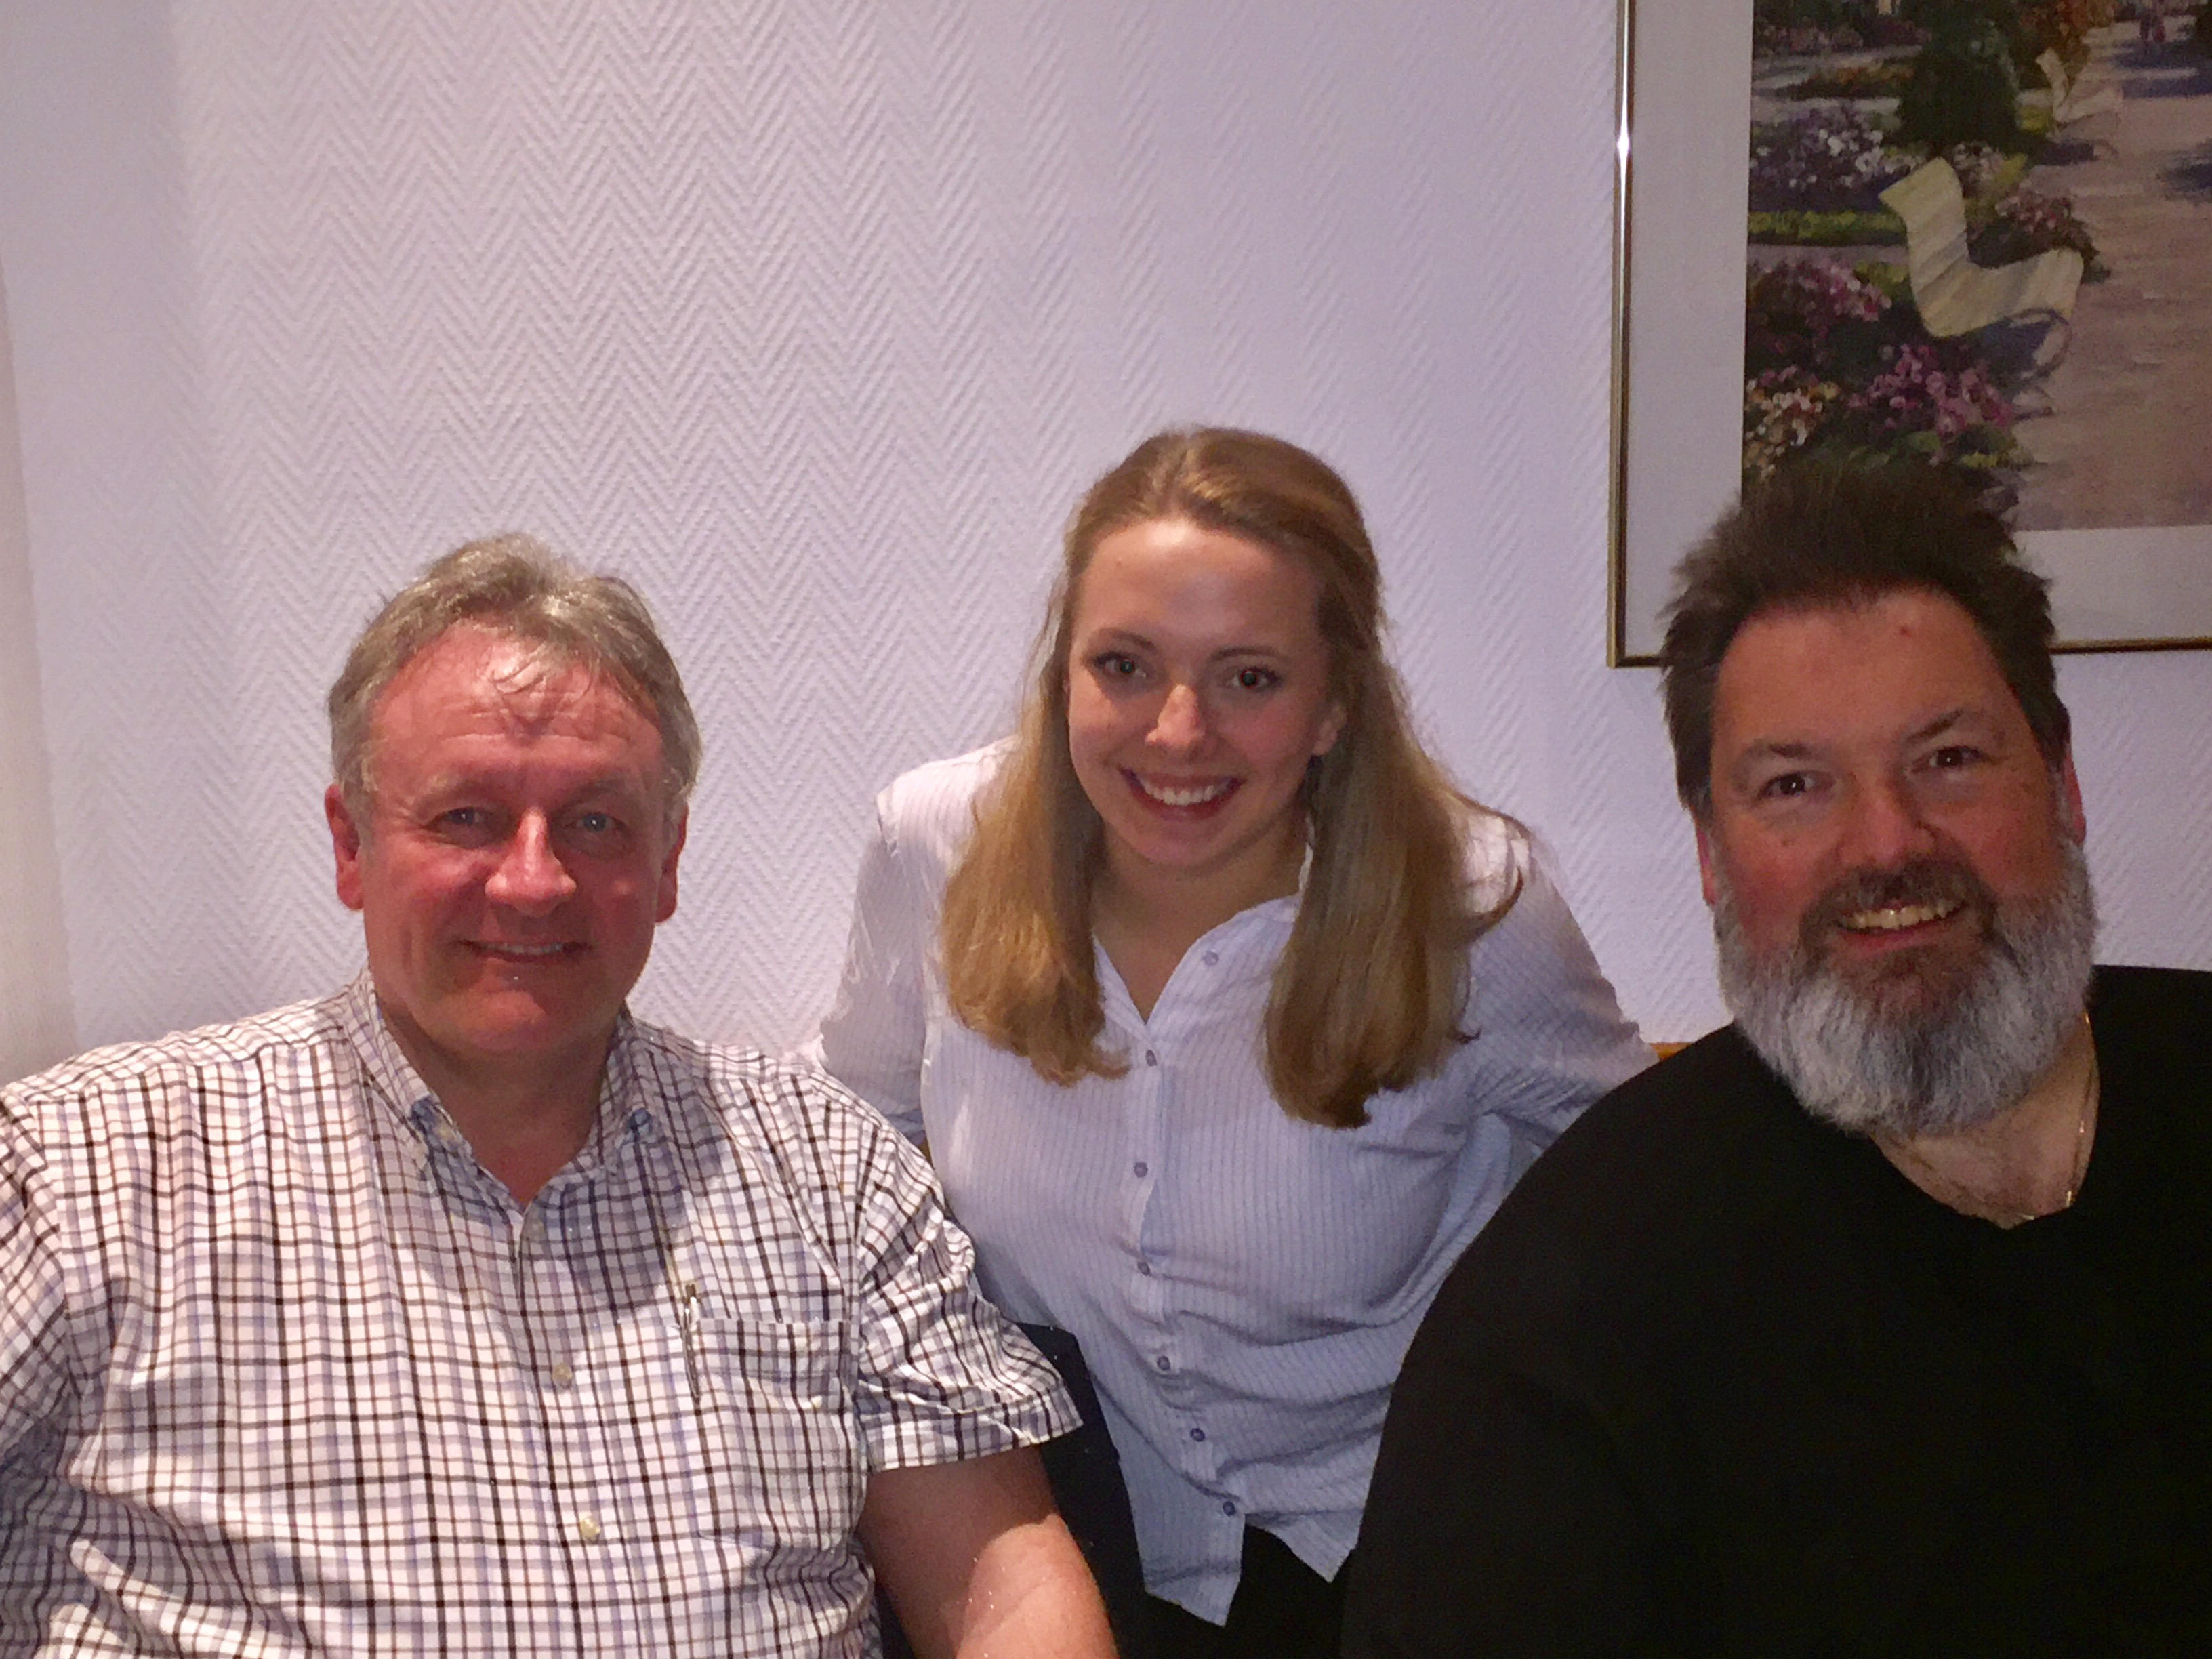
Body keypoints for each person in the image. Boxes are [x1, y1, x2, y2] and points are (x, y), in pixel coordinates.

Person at [0, 536, 1115, 1658]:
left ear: (667, 860)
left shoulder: (829, 1167)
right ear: (351, 845)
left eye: (594, 822)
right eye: (466, 818)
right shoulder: (79, 1170)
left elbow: (1005, 1584)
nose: (533, 882)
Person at [1345, 463, 2212, 1657]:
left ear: (2061, 787)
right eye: (1796, 786)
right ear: (1712, 853)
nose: (1888, 845)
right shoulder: (1580, 1305)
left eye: (1950, 759)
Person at [808, 428, 1650, 1656]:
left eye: (1249, 678)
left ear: (1335, 704)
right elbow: (848, 1158)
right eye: (1125, 666)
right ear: (1063, 673)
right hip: (1062, 1555)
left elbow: (1649, 1194)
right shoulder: (934, 851)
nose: (1178, 732)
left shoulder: (1469, 906)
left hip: (1407, 1552)